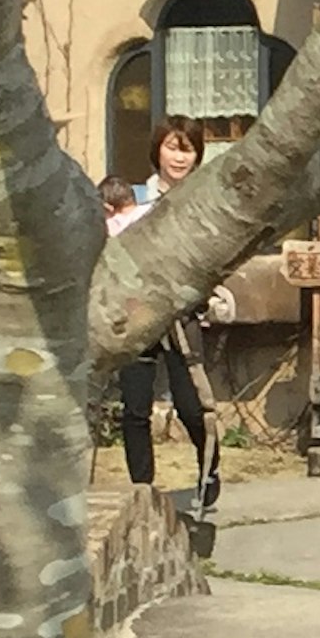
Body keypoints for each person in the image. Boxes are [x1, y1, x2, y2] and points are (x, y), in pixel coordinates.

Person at [113, 119, 231, 513]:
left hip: (183, 315)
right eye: (172, 147)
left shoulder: (205, 200)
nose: (179, 157)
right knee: (134, 407)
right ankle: (141, 488)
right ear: (157, 151)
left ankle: (208, 472)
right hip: (139, 313)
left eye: (187, 149)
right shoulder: (137, 202)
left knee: (192, 405)